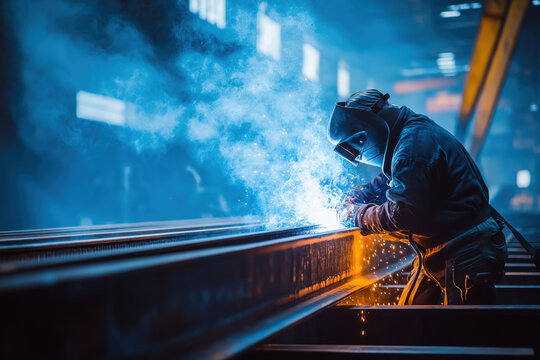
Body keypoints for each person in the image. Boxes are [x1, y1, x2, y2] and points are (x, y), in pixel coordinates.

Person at [328, 89, 508, 305]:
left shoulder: (412, 145)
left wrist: (356, 215)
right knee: (412, 316)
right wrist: (361, 194)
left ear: (370, 129)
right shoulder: (411, 133)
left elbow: (401, 214)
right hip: (441, 248)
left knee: (464, 331)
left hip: (465, 250)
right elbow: (398, 177)